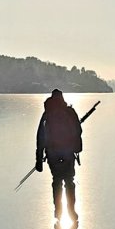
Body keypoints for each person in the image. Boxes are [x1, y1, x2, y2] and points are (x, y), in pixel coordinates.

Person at [35, 89, 83, 221]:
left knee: (56, 181)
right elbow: (78, 130)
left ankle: (58, 210)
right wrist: (77, 149)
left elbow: (40, 136)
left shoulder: (47, 114)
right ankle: (71, 211)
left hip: (52, 153)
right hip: (68, 152)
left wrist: (39, 159)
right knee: (69, 182)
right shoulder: (69, 112)